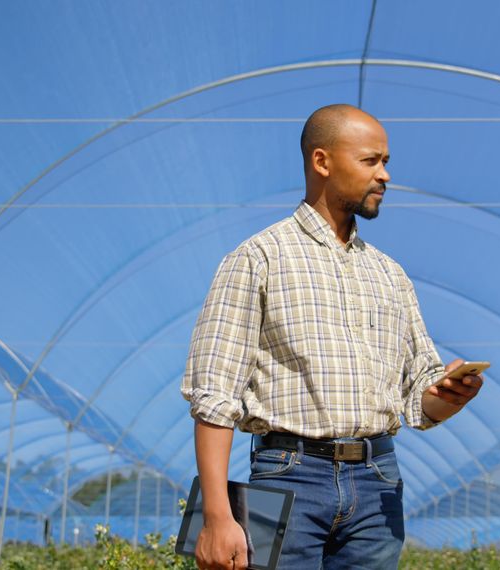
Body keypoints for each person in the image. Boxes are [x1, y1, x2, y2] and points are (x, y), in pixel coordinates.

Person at [181, 103, 484, 570]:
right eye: (371, 161)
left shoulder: (390, 275)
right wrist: (217, 518)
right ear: (322, 162)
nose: (384, 175)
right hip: (288, 476)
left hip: (379, 481)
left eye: (386, 162)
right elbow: (215, 396)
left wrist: (449, 395)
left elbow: (416, 401)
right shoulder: (258, 259)